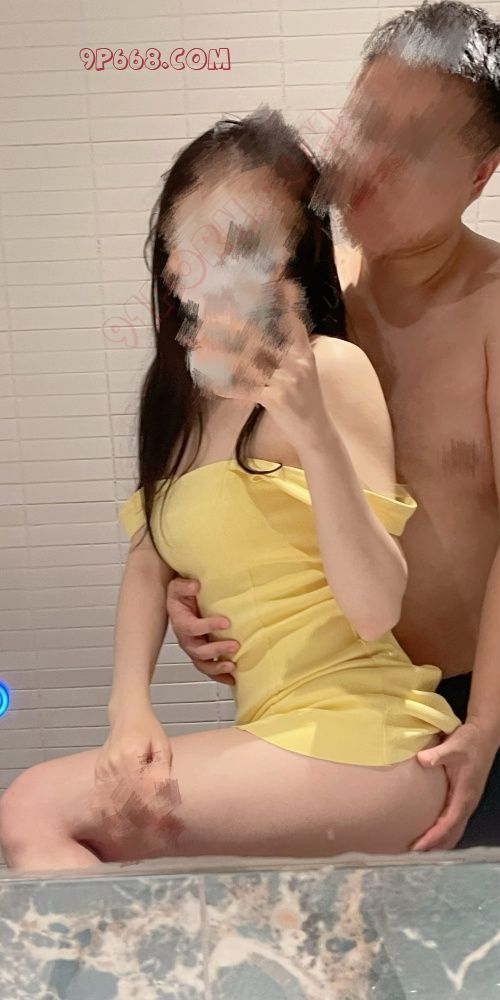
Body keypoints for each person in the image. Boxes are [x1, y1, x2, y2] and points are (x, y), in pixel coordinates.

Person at [0, 107, 462, 873]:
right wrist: (129, 711)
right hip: (277, 732)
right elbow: (148, 563)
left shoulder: (329, 369)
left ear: (290, 256)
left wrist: (313, 432)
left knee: (31, 809)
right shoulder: (180, 400)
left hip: (365, 735)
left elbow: (376, 607)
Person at [167, 1, 500, 851]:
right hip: (325, 710)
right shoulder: (297, 291)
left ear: (479, 173)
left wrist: (484, 731)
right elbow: (218, 469)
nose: (368, 163)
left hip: (472, 707)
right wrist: (187, 590)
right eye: (362, 123)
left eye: (412, 146)